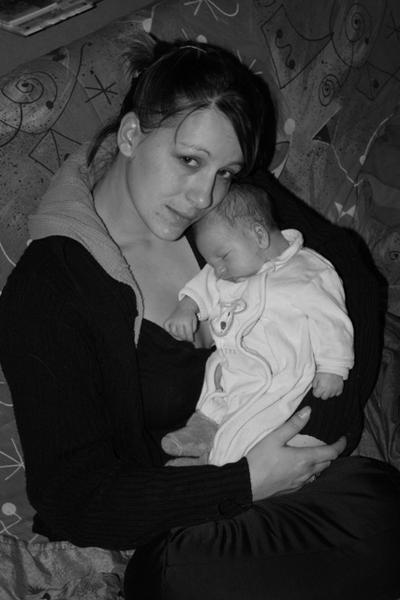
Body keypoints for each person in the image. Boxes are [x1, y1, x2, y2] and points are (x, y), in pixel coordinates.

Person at [0, 31, 399, 600]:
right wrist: (248, 481)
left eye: (226, 172)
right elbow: (73, 497)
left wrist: (309, 439)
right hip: (182, 529)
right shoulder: (50, 289)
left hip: (293, 468)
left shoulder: (226, 209)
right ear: (131, 135)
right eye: (188, 161)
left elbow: (348, 278)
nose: (203, 196)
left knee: (382, 505)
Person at [162, 183, 354, 465]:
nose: (219, 270)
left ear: (260, 235)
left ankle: (217, 465)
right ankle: (204, 428)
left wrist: (334, 368)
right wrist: (186, 307)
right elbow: (205, 283)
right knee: (215, 380)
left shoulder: (309, 272)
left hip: (278, 372)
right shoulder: (230, 269)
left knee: (253, 420)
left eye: (223, 257)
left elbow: (333, 321)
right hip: (234, 357)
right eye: (212, 263)